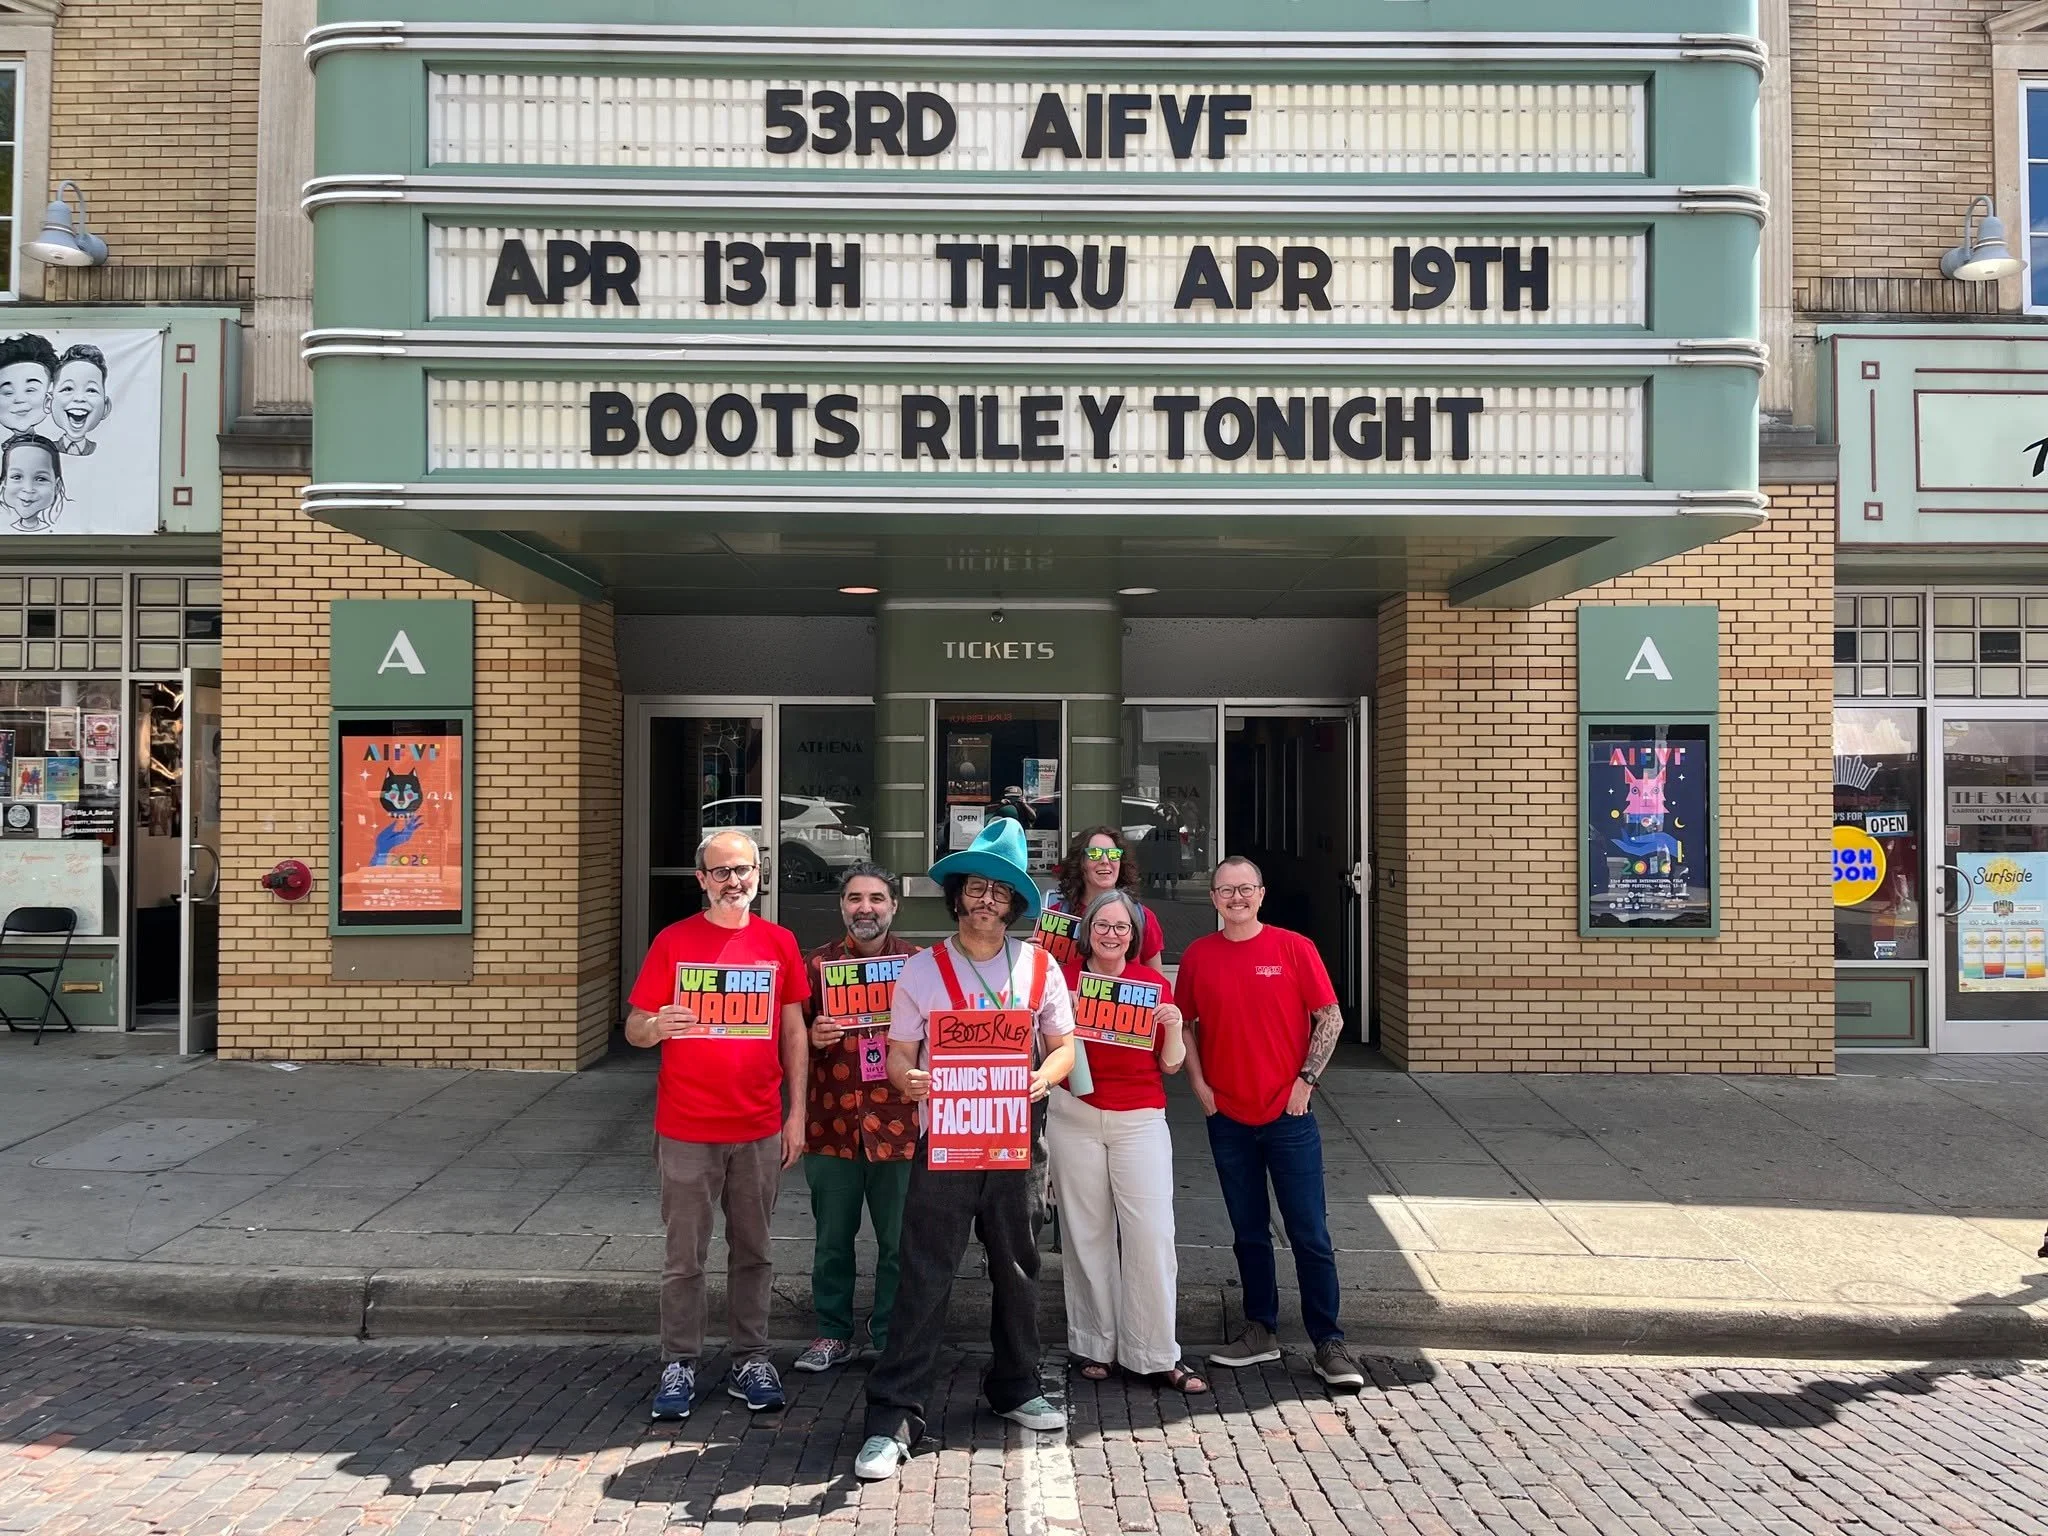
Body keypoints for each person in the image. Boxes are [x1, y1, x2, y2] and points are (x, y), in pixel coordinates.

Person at [855, 819, 1077, 1482]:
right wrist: (906, 1078)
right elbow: (897, 1054)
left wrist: (1046, 1073)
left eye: (999, 893)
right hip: (944, 1145)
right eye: (975, 889)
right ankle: (894, 1414)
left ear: (1014, 905)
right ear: (958, 897)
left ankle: (1015, 1386)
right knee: (924, 1276)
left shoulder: (1040, 967)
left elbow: (1065, 1045)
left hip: (1015, 1145)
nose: (986, 900)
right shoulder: (922, 971)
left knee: (1018, 1270)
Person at [624, 828, 809, 1422]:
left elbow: (794, 1033)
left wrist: (797, 1115)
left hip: (757, 1125)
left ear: (760, 874)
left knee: (753, 1252)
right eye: (722, 871)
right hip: (686, 1127)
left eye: (745, 870)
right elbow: (633, 1027)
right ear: (702, 879)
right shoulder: (674, 942)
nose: (735, 881)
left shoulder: (779, 943)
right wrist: (657, 1027)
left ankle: (750, 1357)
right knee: (685, 1257)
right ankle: (679, 1360)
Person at [1178, 856, 1365, 1390]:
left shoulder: (1293, 948)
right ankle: (1260, 1330)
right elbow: (1186, 1024)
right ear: (1212, 898)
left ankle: (1329, 1342)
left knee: (1309, 1232)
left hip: (1288, 1116)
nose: (1235, 898)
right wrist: (1199, 1086)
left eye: (1245, 889)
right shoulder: (1198, 956)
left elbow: (1329, 1017)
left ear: (1261, 894)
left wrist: (1305, 1082)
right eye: (1224, 890)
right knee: (1248, 1232)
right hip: (1228, 1116)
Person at [1046, 887, 1206, 1393]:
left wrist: (1175, 1027)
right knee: (1086, 1233)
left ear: (1133, 936)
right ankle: (1094, 1343)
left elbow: (1171, 1063)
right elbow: (1036, 1044)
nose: (1111, 935)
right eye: (1102, 925)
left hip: (1139, 1118)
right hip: (1074, 1114)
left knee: (1151, 1235)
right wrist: (1057, 1011)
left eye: (1121, 928)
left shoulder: (1152, 985)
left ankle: (1156, 1351)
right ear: (1086, 931)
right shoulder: (1061, 981)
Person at [793, 862, 922, 1374]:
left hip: (899, 1126)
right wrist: (812, 1037)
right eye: (854, 899)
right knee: (831, 1242)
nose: (864, 908)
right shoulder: (815, 966)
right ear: (841, 906)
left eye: (875, 899)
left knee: (898, 1243)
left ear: (894, 906)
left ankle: (890, 1335)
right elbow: (786, 1038)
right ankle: (831, 1333)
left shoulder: (919, 966)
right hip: (832, 1126)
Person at [1046, 827, 1165, 965]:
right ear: (1080, 862)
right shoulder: (1057, 915)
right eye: (1094, 854)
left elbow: (1157, 982)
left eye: (1113, 854)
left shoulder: (1142, 917)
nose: (1105, 860)